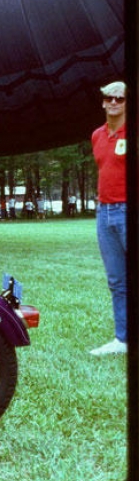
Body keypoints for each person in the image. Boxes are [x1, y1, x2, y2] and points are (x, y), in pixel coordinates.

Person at [90, 81, 128, 356]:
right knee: (116, 280)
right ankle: (122, 339)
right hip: (104, 213)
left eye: (119, 98)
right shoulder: (97, 136)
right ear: (103, 102)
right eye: (109, 97)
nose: (113, 102)